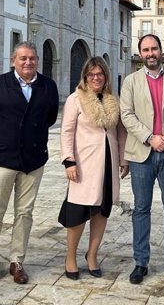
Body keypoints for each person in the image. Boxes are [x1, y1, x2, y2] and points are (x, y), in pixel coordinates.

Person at [0, 42, 59, 289]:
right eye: (23, 58)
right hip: (3, 159)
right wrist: (3, 137)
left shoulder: (48, 87)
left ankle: (17, 261)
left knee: (24, 214)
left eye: (32, 58)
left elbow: (49, 117)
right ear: (13, 60)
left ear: (37, 61)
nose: (28, 62)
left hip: (33, 161)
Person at [120, 34, 164, 284]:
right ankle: (141, 262)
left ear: (161, 51)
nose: (150, 53)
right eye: (145, 49)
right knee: (141, 209)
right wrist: (150, 137)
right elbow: (126, 114)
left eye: (154, 49)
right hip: (142, 154)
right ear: (140, 53)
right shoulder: (130, 82)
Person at [59, 57, 129, 280]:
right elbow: (67, 131)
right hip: (84, 164)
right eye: (92, 75)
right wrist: (69, 160)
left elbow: (120, 132)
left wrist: (124, 159)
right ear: (85, 77)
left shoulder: (112, 100)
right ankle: (71, 257)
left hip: (108, 163)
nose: (96, 78)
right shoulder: (75, 99)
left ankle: (92, 255)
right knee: (78, 213)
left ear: (106, 76)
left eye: (100, 74)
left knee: (102, 210)